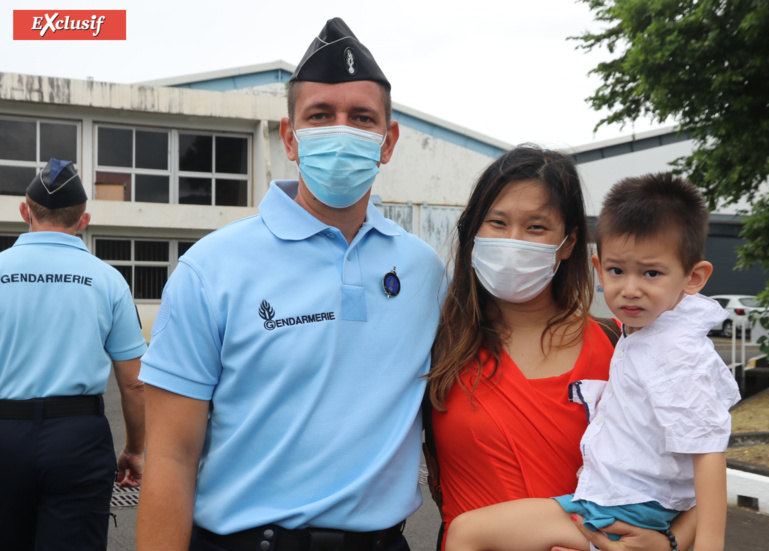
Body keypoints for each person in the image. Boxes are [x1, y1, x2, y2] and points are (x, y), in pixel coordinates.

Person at [136, 17, 445, 551]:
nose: (341, 130)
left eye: (362, 118)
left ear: (388, 140)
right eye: (320, 115)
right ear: (290, 137)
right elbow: (170, 457)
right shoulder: (210, 269)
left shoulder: (425, 272)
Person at [442, 172, 741, 551]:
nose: (631, 289)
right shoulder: (445, 342)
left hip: (617, 510)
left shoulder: (669, 350)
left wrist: (679, 544)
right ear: (599, 269)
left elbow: (708, 452)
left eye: (651, 273)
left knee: (468, 534)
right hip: (615, 503)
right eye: (618, 271)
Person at [0, 159, 147, 551]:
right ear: (83, 221)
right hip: (78, 439)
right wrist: (134, 449)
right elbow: (134, 383)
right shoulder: (108, 280)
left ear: (24, 212)